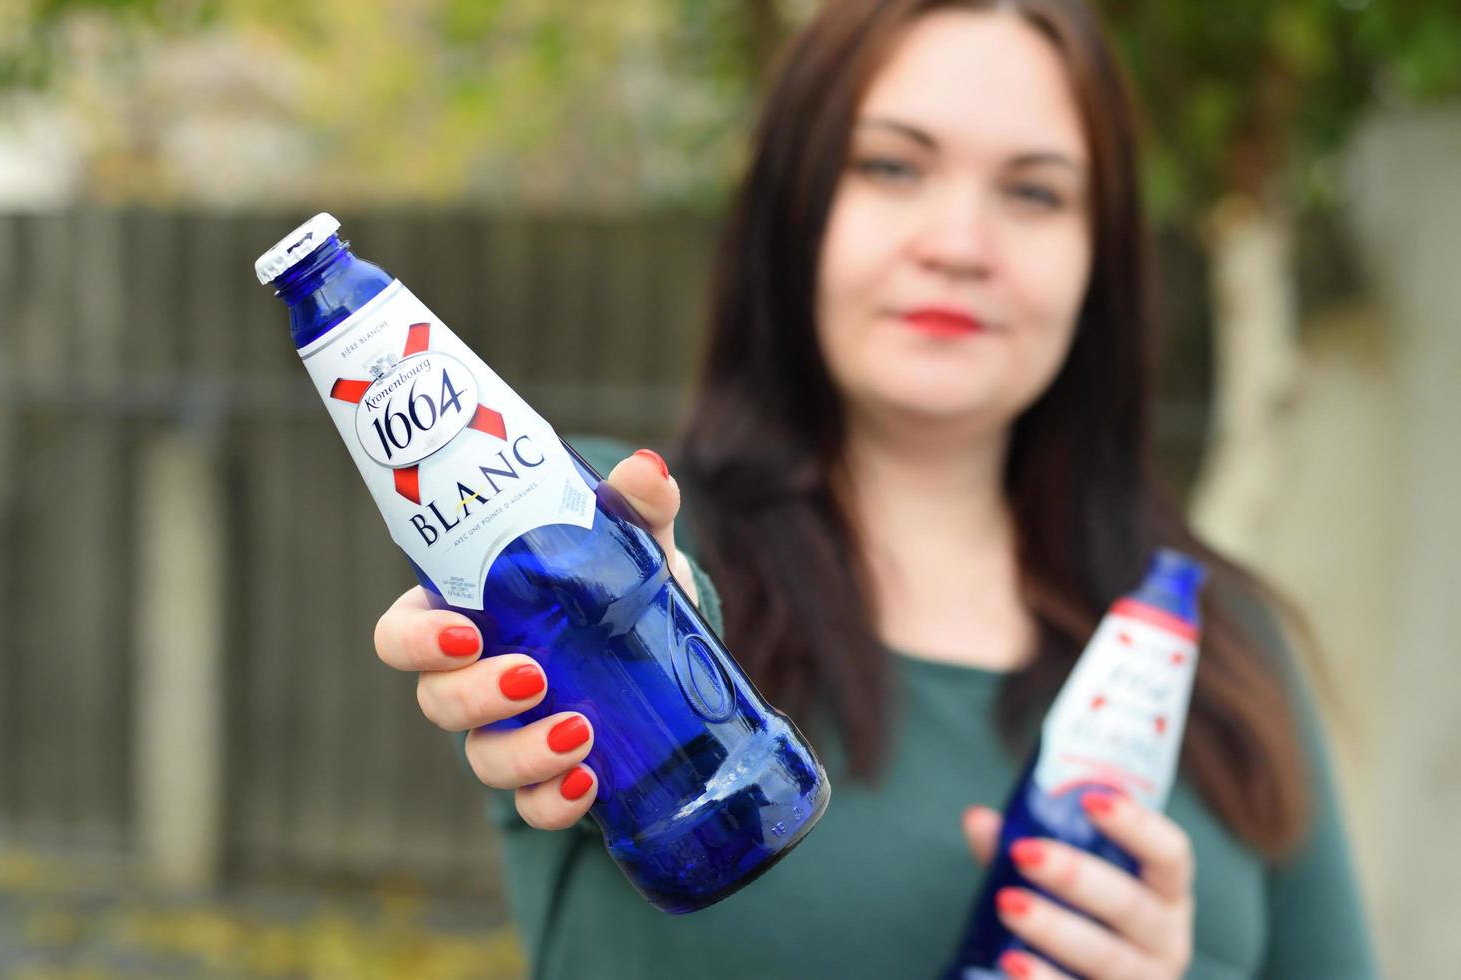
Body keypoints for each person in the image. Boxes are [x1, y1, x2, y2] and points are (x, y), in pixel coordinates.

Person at [372, 1, 1377, 976]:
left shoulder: (1225, 646)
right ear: (794, 209)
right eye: (892, 166)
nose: (958, 242)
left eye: (1034, 191)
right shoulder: (596, 531)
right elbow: (632, 595)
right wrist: (643, 612)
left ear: (1099, 260)